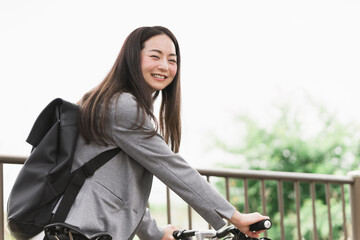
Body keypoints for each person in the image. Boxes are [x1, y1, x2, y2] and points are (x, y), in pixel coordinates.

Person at [33, 26, 269, 240]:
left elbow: (117, 190)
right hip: (83, 231)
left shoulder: (111, 102)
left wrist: (155, 234)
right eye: (155, 56)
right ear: (133, 59)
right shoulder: (122, 106)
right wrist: (235, 217)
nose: (165, 66)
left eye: (172, 60)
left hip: (81, 230)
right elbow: (171, 167)